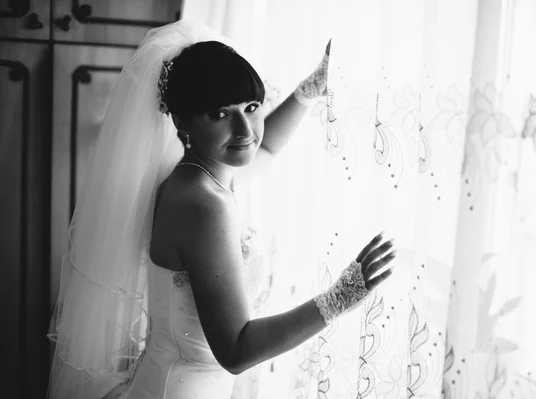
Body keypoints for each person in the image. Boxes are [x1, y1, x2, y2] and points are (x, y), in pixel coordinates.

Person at [46, 20, 396, 399]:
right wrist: (339, 298)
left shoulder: (196, 175)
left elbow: (264, 148)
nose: (245, 129)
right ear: (182, 120)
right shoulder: (202, 206)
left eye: (251, 107)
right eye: (220, 114)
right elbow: (237, 349)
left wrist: (310, 88)